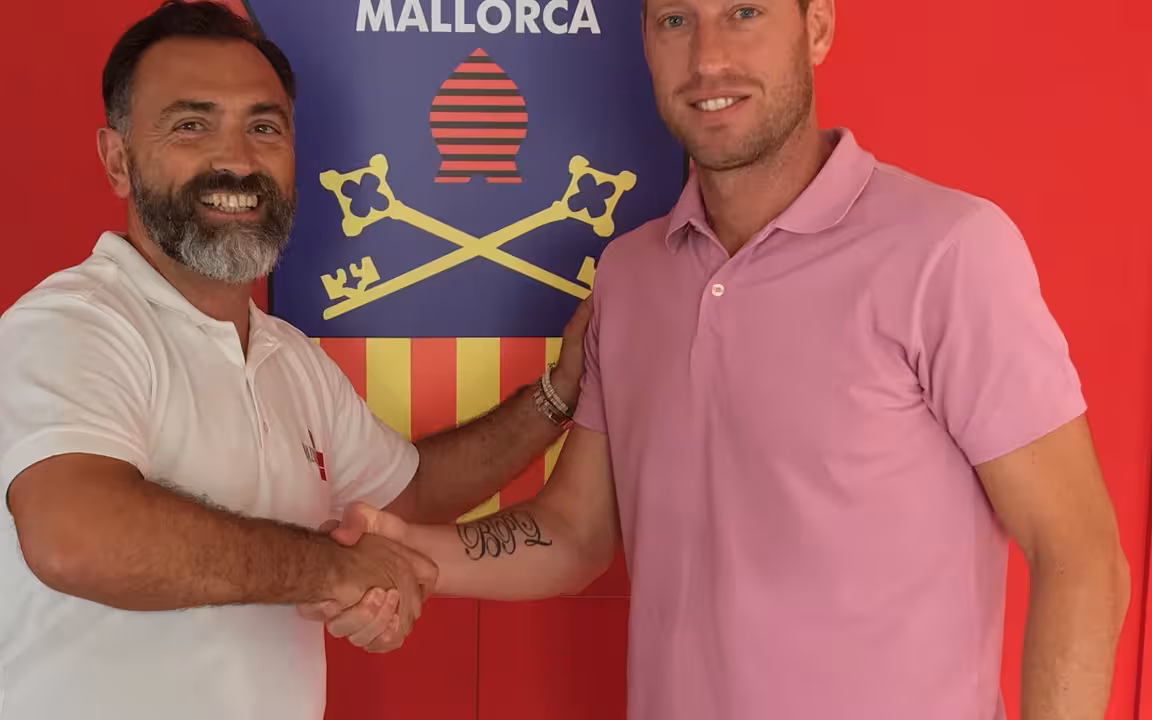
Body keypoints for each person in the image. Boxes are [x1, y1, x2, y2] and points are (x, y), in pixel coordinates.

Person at [320, 0, 1132, 718]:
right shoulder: (630, 276)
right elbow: (574, 531)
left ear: (817, 27)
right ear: (646, 41)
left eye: (744, 13)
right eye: (676, 20)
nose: (708, 58)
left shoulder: (948, 252)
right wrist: (403, 548)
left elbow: (1081, 554)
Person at [0, 2, 591, 719]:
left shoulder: (291, 361)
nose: (237, 160)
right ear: (117, 160)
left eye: (263, 127)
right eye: (191, 126)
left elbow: (408, 496)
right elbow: (78, 536)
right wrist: (332, 570)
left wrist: (559, 395)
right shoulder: (74, 324)